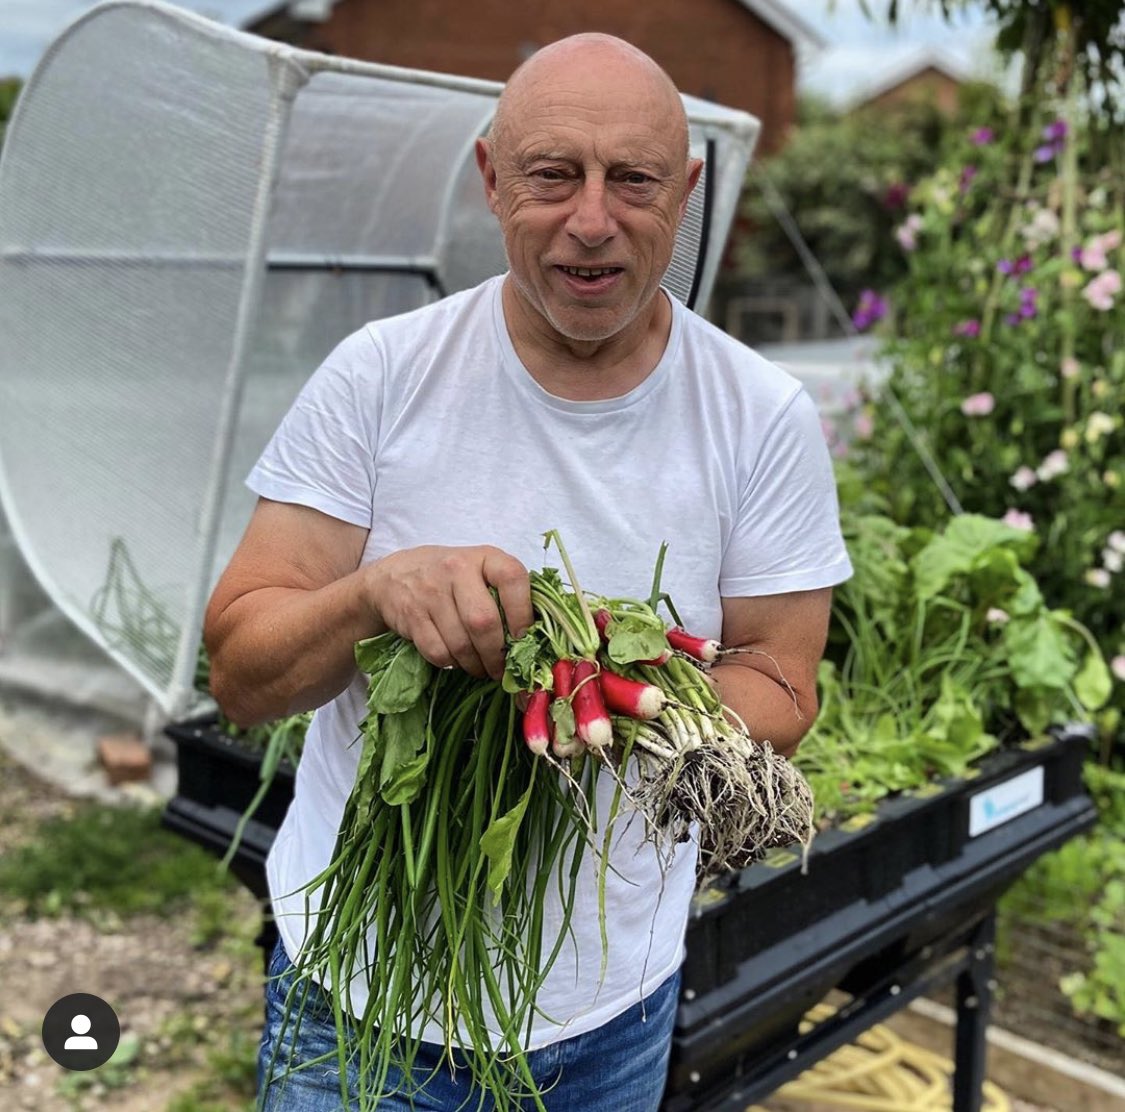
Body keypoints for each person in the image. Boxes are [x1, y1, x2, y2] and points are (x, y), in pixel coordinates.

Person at [204, 31, 852, 1112]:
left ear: (686, 193)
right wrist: (376, 592)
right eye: (553, 174)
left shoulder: (760, 415)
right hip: (355, 994)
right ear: (492, 179)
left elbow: (783, 681)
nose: (592, 219)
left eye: (633, 180)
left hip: (610, 1016)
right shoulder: (381, 376)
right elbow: (239, 674)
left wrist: (621, 697)